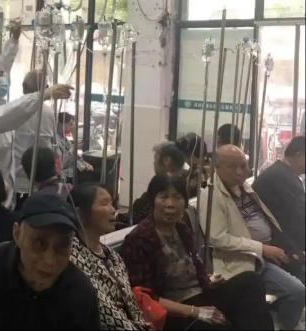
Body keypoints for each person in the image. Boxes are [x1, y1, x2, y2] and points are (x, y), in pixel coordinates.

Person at [122, 173, 275, 330]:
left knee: (251, 281)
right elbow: (143, 298)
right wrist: (196, 312)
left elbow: (193, 269)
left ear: (185, 203)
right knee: (218, 324)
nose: (170, 204)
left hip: (200, 296)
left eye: (177, 197)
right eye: (163, 197)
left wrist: (208, 280)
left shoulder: (181, 229)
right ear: (152, 201)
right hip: (173, 312)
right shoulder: (139, 239)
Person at [0, 194, 100, 330]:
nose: (50, 261)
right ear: (17, 234)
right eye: (39, 244)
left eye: (62, 246)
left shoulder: (80, 292)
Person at [199, 145, 305, 331]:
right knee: (297, 291)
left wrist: (288, 248)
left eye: (243, 166)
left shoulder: (244, 187)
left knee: (301, 269)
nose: (240, 172)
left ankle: (282, 320)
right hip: (245, 259)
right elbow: (218, 238)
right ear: (217, 167)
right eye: (232, 167)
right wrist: (262, 249)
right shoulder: (211, 195)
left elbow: (269, 221)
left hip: (268, 248)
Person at [0, 55, 72, 217]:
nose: (5, 81)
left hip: (1, 193)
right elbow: (1, 118)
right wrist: (42, 95)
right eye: (0, 75)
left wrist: (13, 44)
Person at [69, 183, 152, 330]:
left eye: (112, 203)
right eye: (104, 203)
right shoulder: (73, 256)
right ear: (79, 213)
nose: (113, 210)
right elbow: (105, 314)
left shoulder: (113, 256)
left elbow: (132, 306)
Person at [253, 136, 305, 253]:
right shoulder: (282, 177)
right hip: (280, 243)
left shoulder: (280, 172)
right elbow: (299, 216)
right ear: (299, 155)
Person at [13, 70, 56, 196]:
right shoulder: (48, 113)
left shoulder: (13, 109)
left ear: (24, 87)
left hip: (17, 178)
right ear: (46, 89)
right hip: (43, 182)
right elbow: (53, 143)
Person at [129, 141, 187, 225]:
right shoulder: (186, 181)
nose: (154, 163)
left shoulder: (159, 185)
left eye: (155, 159)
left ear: (166, 160)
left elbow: (138, 217)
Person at [56, 112, 93, 184]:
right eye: (70, 124)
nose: (72, 126)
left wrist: (84, 163)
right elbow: (62, 163)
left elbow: (74, 156)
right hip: (66, 175)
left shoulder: (64, 138)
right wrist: (73, 148)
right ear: (61, 124)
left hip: (73, 170)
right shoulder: (55, 140)